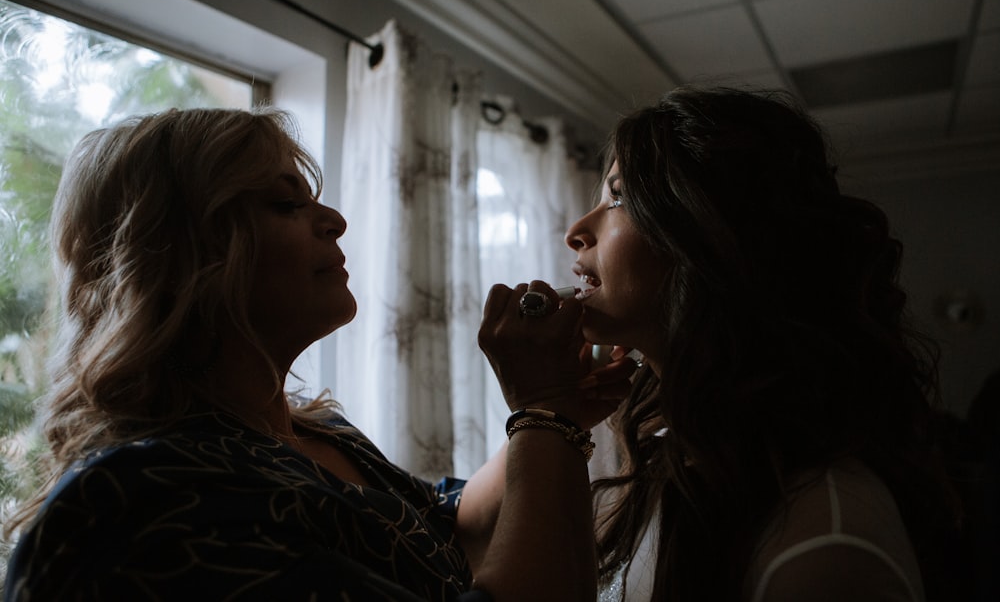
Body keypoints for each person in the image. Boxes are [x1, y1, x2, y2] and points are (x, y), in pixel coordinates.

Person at [2, 107, 635, 600]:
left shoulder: (316, 432)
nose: (333, 218)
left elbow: (450, 531)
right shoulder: (139, 506)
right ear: (171, 257)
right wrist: (543, 412)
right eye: (285, 203)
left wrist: (558, 416)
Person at [561, 86, 961, 601]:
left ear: (708, 236)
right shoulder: (679, 454)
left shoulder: (821, 550)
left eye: (618, 197)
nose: (576, 231)